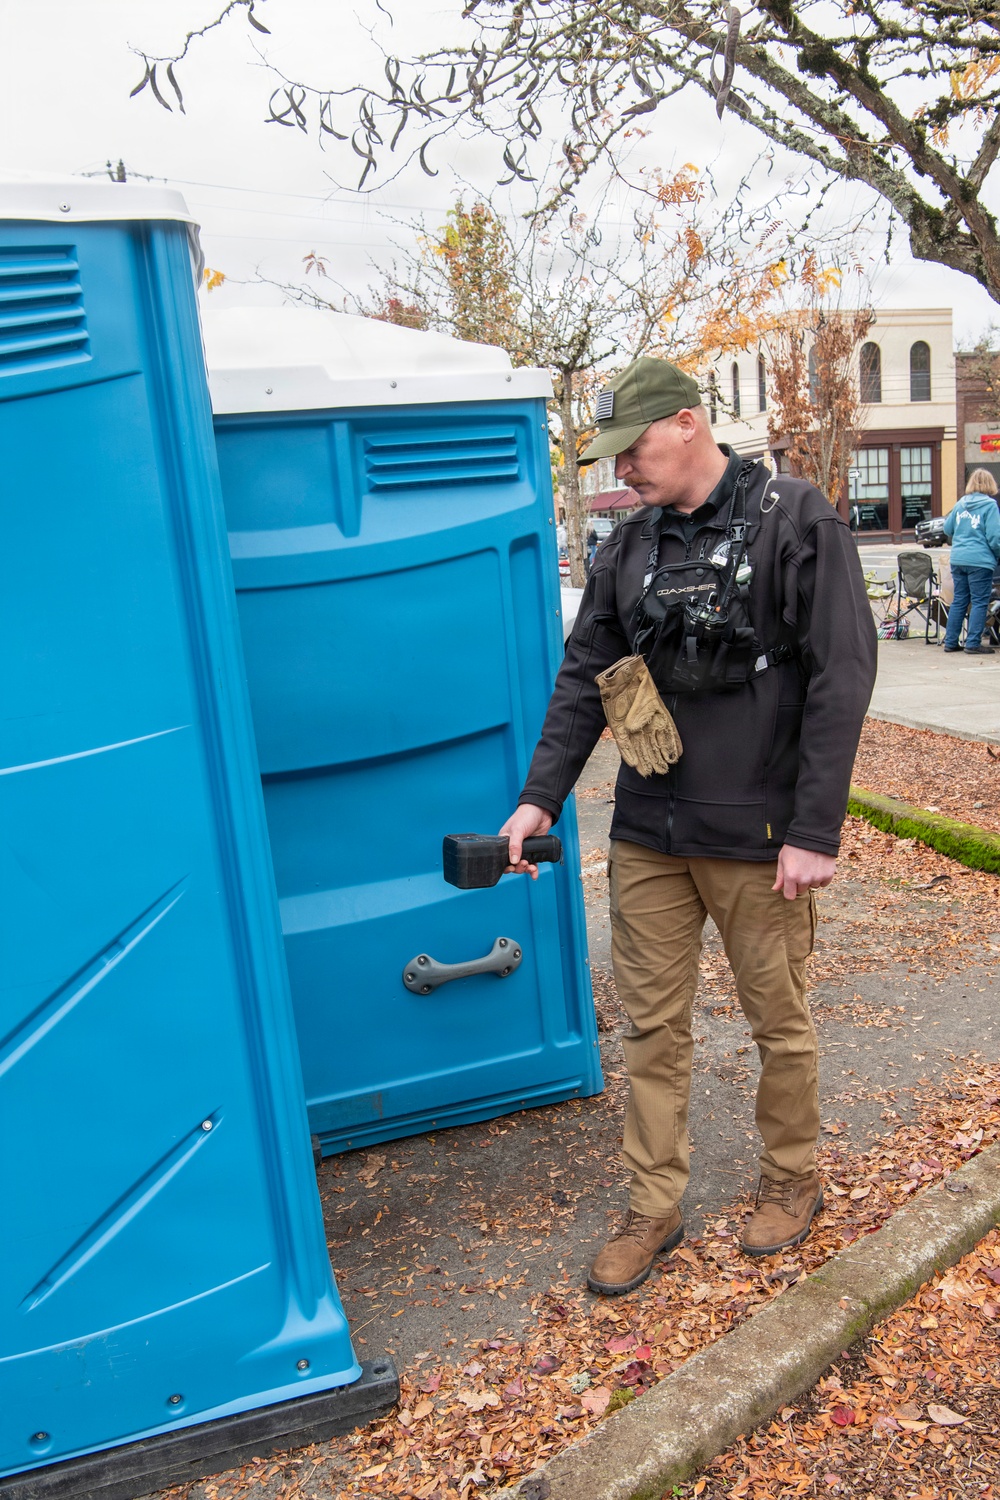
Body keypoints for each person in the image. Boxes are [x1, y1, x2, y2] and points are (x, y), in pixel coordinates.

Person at [500, 356, 877, 1295]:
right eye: (612, 456)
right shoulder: (627, 550)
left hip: (760, 833)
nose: (621, 470)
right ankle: (651, 1207)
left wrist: (815, 831)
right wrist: (540, 795)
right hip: (650, 834)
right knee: (651, 1029)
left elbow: (843, 675)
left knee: (777, 1022)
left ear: (687, 422)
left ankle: (793, 1182)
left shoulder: (797, 519)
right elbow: (586, 677)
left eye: (632, 449)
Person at [942, 469, 1000, 656]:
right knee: (979, 601)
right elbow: (995, 537)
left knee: (959, 600)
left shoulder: (961, 504)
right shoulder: (990, 505)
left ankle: (951, 641)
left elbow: (947, 528)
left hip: (958, 558)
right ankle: (973, 642)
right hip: (980, 561)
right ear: (990, 484)